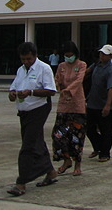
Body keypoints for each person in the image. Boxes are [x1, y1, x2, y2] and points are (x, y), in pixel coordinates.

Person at [7, 42, 58, 196]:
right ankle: (50, 171)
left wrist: (31, 92)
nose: (26, 62)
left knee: (28, 145)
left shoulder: (44, 68)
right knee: (37, 141)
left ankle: (21, 182)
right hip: (24, 111)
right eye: (23, 59)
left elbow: (51, 91)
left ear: (35, 56)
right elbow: (13, 87)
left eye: (29, 59)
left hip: (39, 109)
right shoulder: (21, 70)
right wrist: (13, 94)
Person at [51, 41, 87, 177]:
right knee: (58, 135)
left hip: (77, 105)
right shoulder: (61, 66)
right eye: (66, 55)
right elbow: (57, 79)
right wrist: (56, 86)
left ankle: (77, 164)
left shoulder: (81, 65)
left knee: (76, 136)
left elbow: (79, 80)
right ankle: (66, 160)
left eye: (70, 54)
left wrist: (69, 90)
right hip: (63, 105)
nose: (68, 57)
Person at [85, 44, 112, 163]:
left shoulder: (111, 70)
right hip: (92, 102)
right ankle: (98, 146)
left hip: (103, 103)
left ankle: (105, 152)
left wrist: (108, 105)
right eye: (101, 53)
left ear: (110, 56)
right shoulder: (97, 65)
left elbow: (111, 88)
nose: (102, 56)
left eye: (105, 54)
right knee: (89, 128)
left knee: (106, 130)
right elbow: (87, 72)